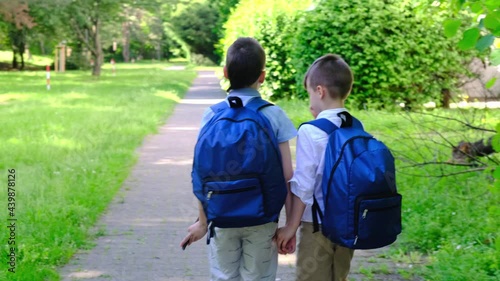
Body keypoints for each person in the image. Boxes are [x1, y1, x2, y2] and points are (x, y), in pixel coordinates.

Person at [180, 37, 297, 281]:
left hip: (221, 217)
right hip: (263, 218)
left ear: (225, 73)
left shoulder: (211, 115)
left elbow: (202, 175)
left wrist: (203, 222)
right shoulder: (273, 114)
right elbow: (287, 175)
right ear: (262, 76)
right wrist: (289, 227)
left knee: (224, 276)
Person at [275, 54, 356, 281]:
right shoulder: (356, 126)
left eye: (310, 93)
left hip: (317, 226)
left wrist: (291, 226)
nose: (309, 99)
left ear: (319, 91)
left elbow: (304, 185)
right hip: (348, 224)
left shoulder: (311, 131)